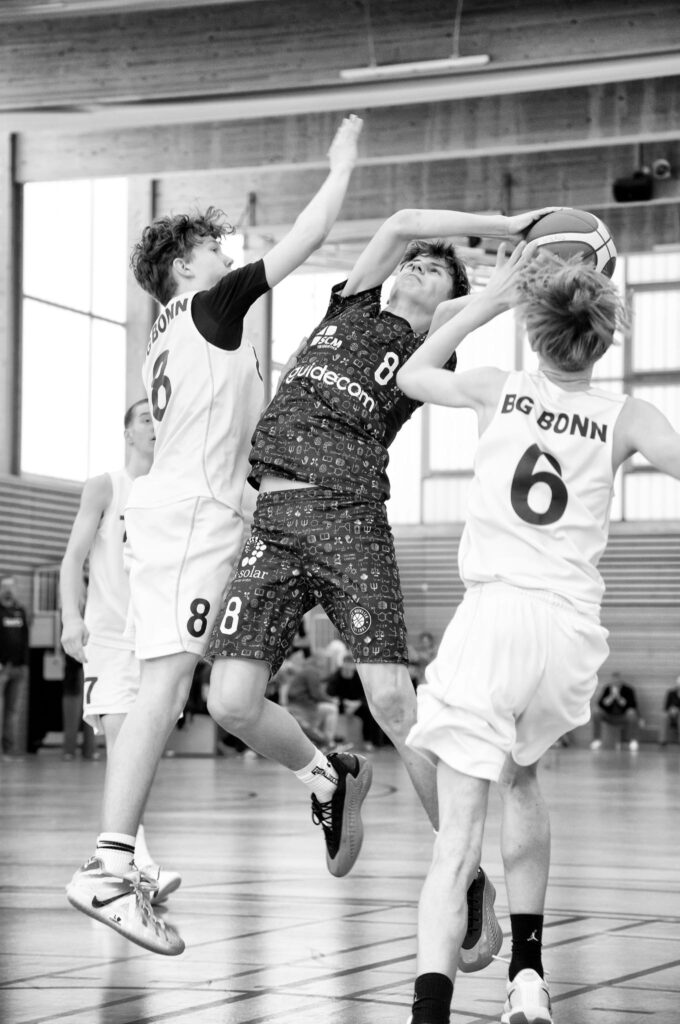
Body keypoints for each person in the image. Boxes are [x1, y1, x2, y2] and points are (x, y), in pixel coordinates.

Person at [206, 201, 552, 970]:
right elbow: (396, 223)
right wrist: (503, 221)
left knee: (393, 703)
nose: (418, 264)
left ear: (450, 298)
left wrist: (514, 267)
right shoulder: (354, 302)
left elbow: (492, 299)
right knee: (228, 702)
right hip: (271, 518)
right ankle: (329, 777)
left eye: (436, 269)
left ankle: (464, 876)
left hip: (348, 516)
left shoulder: (431, 347)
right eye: (415, 261)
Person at [65, 114, 364, 956]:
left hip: (197, 515)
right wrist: (340, 165)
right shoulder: (208, 305)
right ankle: (109, 868)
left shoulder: (173, 335)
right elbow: (308, 236)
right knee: (162, 691)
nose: (224, 253)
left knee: (209, 692)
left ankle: (325, 776)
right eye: (210, 246)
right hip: (192, 518)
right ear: (181, 267)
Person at [394, 240, 680, 1024]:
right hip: (567, 631)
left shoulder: (498, 386)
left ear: (534, 329)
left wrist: (491, 298)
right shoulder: (630, 416)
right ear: (604, 338)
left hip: (494, 617)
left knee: (455, 839)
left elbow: (412, 375)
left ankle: (429, 1014)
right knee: (520, 777)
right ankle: (527, 977)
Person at [60, 400, 180, 895]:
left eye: (159, 418)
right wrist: (71, 617)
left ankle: (123, 859)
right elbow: (73, 558)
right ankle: (133, 861)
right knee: (121, 743)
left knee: (142, 749)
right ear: (127, 432)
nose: (154, 425)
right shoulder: (106, 486)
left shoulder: (171, 490)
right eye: (145, 419)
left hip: (156, 636)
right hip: (108, 636)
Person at [277, 650, 340, 752]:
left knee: (327, 710)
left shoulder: (307, 670)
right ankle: (329, 742)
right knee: (332, 709)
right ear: (319, 660)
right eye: (324, 660)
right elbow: (316, 694)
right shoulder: (311, 671)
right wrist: (331, 700)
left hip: (301, 705)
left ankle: (325, 743)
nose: (325, 663)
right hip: (302, 707)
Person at [0, 575, 30, 760]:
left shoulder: (20, 611)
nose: (8, 590)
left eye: (11, 587)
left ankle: (9, 749)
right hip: (2, 668)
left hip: (19, 668)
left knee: (12, 711)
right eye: (4, 586)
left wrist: (25, 664)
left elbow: (25, 638)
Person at [590, 671, 641, 751]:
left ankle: (633, 741)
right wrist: (611, 697)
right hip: (609, 716)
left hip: (623, 716)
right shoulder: (607, 689)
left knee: (632, 714)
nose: (615, 683)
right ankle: (597, 740)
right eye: (614, 681)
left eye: (617, 681)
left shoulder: (628, 690)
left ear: (620, 681)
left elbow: (632, 706)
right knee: (596, 712)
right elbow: (600, 704)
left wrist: (618, 697)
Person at [659, 673, 680, 746]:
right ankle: (662, 740)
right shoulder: (671, 693)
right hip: (671, 715)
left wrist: (678, 710)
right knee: (664, 716)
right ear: (677, 684)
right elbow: (666, 707)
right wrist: (671, 709)